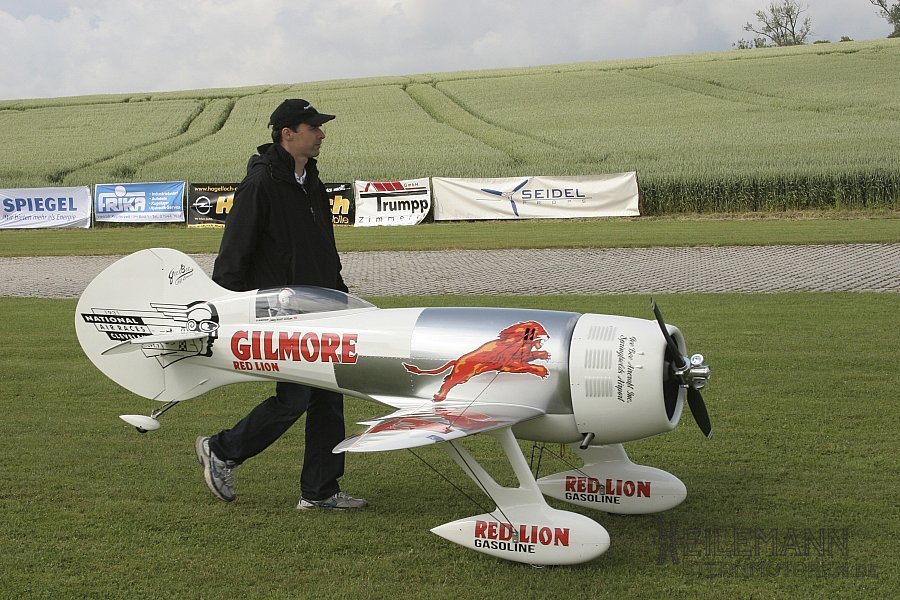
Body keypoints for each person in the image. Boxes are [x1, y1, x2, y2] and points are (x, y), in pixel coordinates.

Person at [194, 99, 367, 510]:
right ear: (288, 133)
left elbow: (324, 250)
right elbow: (233, 254)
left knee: (329, 395)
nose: (321, 134)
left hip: (322, 306)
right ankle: (222, 449)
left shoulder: (312, 182)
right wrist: (223, 312)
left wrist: (341, 295)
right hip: (280, 311)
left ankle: (320, 491)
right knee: (296, 397)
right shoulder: (260, 184)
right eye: (314, 127)